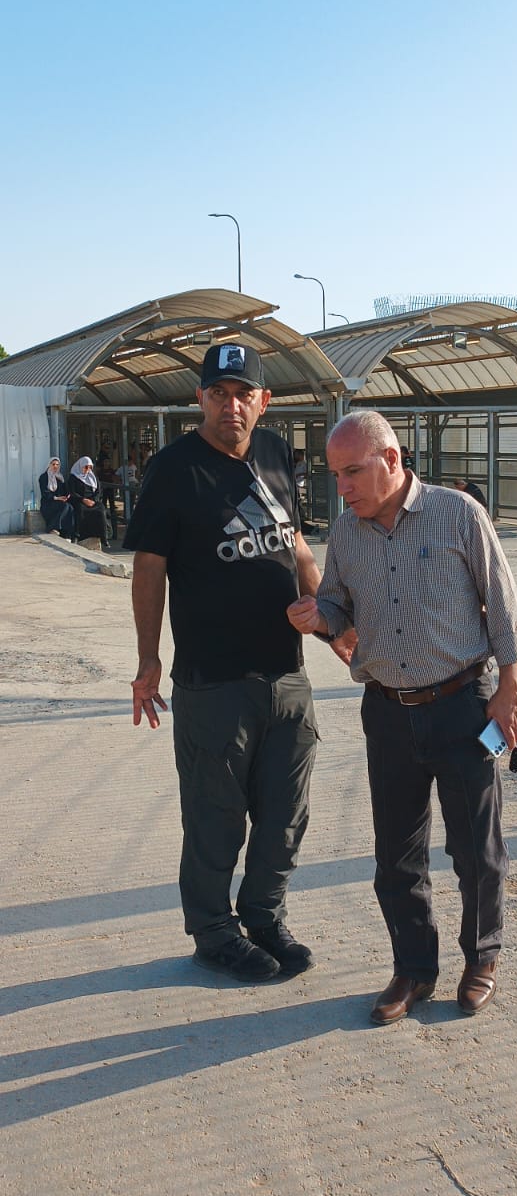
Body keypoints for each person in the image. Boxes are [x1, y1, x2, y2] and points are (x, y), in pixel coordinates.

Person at [287, 410, 517, 1026]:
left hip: (461, 707)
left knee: (476, 849)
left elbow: (502, 602)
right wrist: (319, 616)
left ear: (391, 460)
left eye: (352, 471)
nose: (341, 486)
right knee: (396, 855)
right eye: (334, 474)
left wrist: (511, 687)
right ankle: (414, 968)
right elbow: (339, 604)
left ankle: (482, 957)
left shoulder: (458, 514)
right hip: (388, 714)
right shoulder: (347, 531)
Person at [124, 342, 355, 984]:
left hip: (285, 674)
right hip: (214, 681)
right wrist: (148, 659)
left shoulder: (276, 453)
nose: (231, 405)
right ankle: (214, 933)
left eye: (243, 393)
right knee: (214, 817)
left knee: (285, 812)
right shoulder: (173, 469)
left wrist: (330, 620)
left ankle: (263, 916)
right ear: (200, 398)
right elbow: (149, 568)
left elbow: (297, 547)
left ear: (263, 400)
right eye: (219, 393)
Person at [68, 457, 111, 549]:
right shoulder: (73, 477)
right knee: (80, 510)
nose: (87, 469)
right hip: (80, 500)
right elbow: (72, 492)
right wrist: (83, 499)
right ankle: (77, 535)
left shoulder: (93, 477)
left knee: (101, 510)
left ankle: (103, 537)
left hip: (93, 501)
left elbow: (98, 491)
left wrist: (94, 500)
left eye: (90, 467)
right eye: (85, 467)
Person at [38, 457, 75, 539]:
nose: (55, 466)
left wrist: (67, 495)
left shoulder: (60, 477)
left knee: (70, 507)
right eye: (53, 464)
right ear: (49, 465)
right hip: (47, 503)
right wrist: (56, 498)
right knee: (65, 506)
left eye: (57, 465)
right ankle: (52, 528)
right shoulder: (44, 477)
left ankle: (67, 534)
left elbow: (64, 491)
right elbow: (45, 493)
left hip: (59, 501)